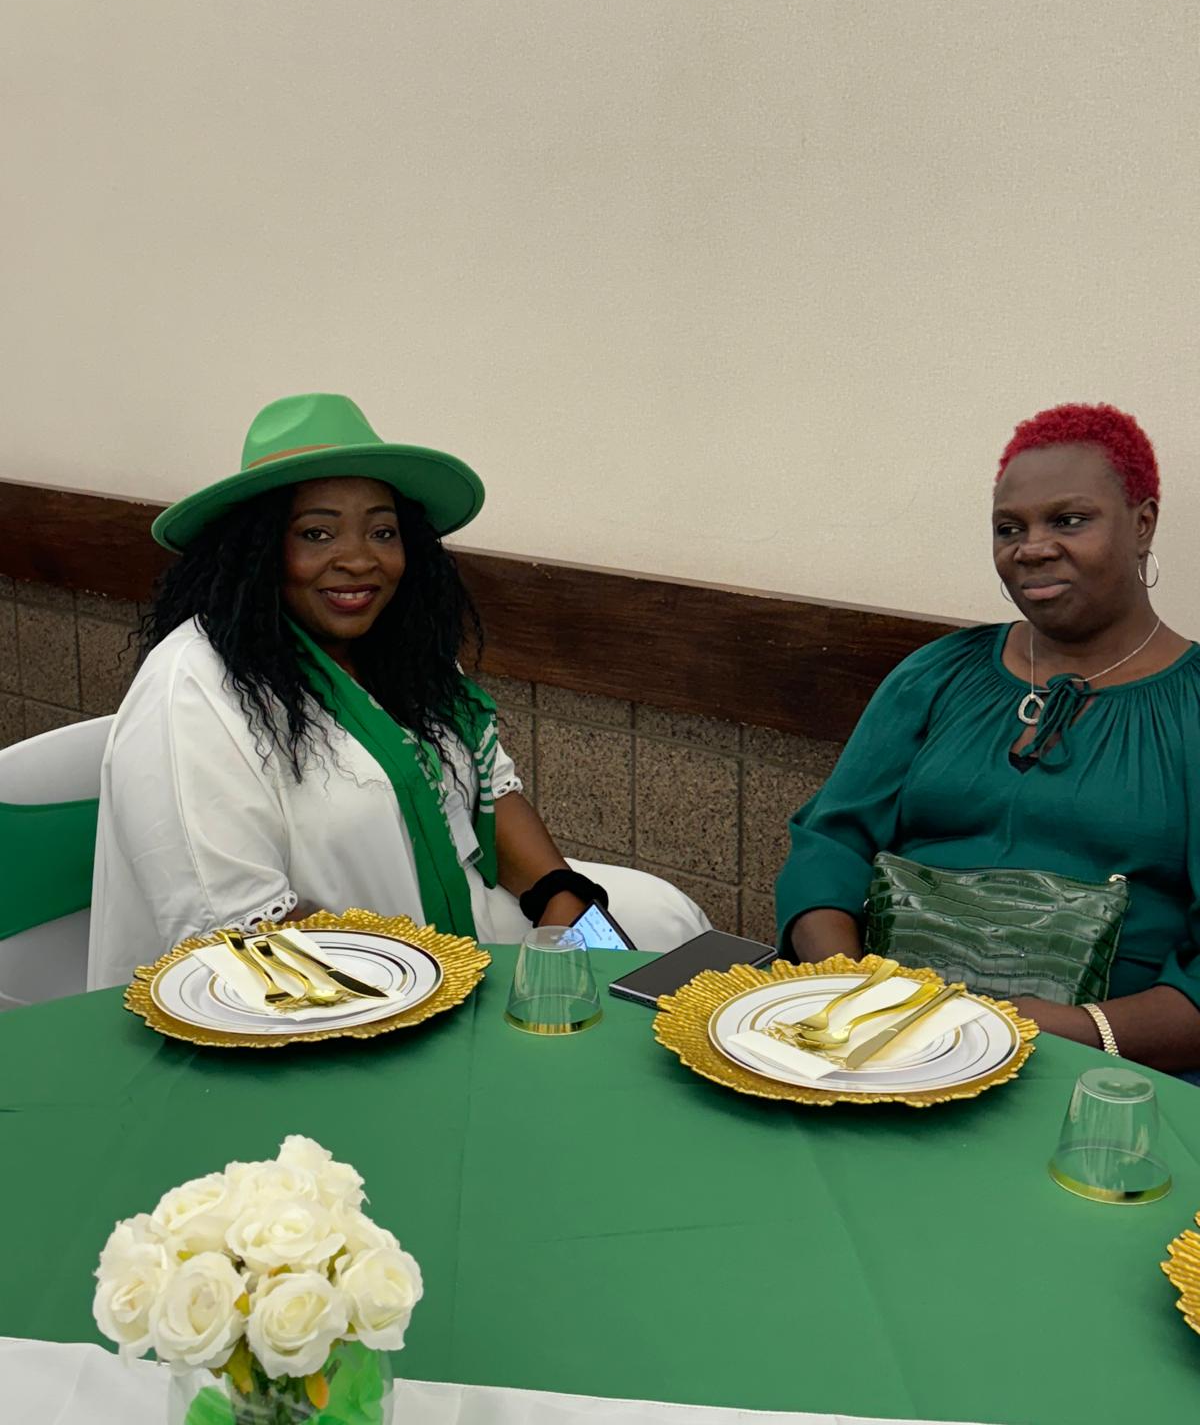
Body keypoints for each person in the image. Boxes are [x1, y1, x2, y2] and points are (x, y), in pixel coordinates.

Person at [87, 393, 708, 988]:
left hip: (448, 940)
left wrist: (562, 900)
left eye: (382, 532)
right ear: (256, 550)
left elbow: (490, 789)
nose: (360, 560)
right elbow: (241, 935)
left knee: (664, 918)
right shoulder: (192, 688)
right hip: (299, 990)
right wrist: (440, 989)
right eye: (317, 534)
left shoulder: (399, 649)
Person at [775, 402, 1200, 1073]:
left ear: (1143, 523)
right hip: (882, 1036)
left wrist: (1068, 1031)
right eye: (1010, 528)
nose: (1032, 548)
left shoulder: (1191, 707)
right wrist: (853, 988)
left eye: (1069, 520)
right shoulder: (936, 676)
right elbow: (830, 844)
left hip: (1103, 1067)